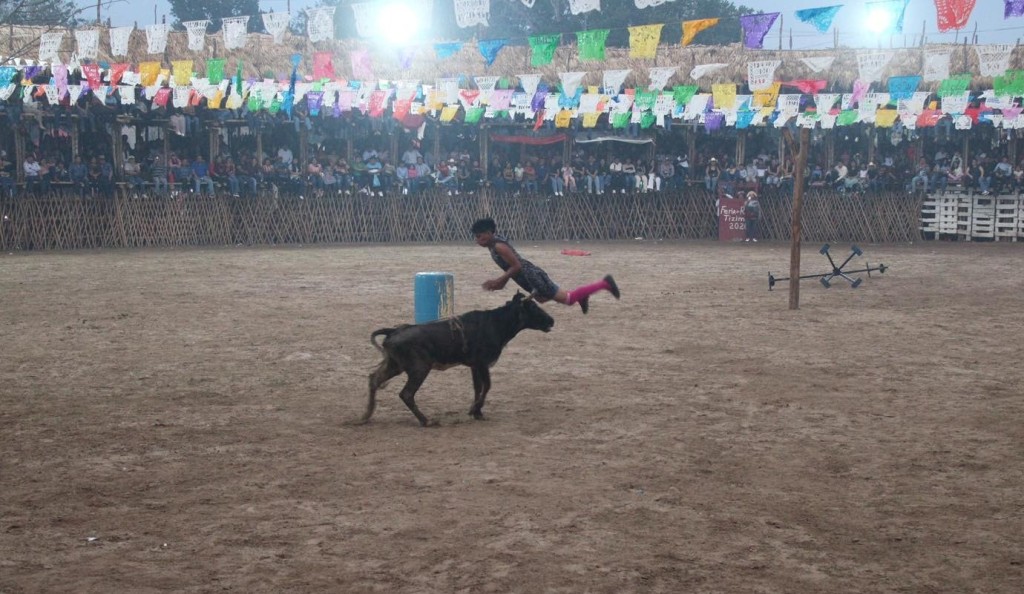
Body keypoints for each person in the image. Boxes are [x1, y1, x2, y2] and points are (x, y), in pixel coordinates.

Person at [471, 217, 619, 314]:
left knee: (567, 299)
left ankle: (604, 284)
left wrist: (499, 280)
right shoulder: (494, 244)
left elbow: (516, 266)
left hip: (530, 276)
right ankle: (583, 296)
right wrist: (501, 283)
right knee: (544, 299)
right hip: (527, 276)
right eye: (476, 237)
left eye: (480, 236)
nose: (478, 240)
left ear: (490, 233)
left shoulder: (498, 247)